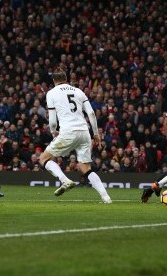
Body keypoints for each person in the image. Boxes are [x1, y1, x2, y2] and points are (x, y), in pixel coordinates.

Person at [39, 67, 112, 203]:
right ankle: (106, 197)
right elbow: (91, 113)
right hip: (84, 132)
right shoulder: (78, 91)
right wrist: (96, 134)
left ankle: (65, 180)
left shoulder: (51, 93)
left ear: (54, 80)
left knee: (44, 158)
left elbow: (53, 120)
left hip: (68, 131)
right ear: (66, 79)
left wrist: (54, 132)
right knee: (85, 167)